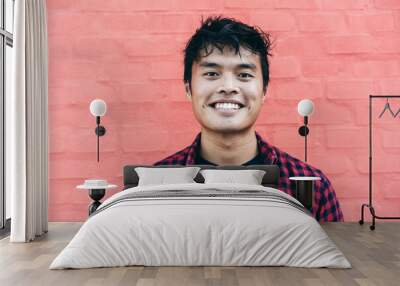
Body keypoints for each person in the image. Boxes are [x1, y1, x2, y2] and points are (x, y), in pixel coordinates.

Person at [153, 16, 343, 222]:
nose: (228, 86)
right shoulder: (152, 187)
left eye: (243, 75)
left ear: (264, 90)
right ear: (189, 89)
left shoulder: (313, 187)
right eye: (211, 73)